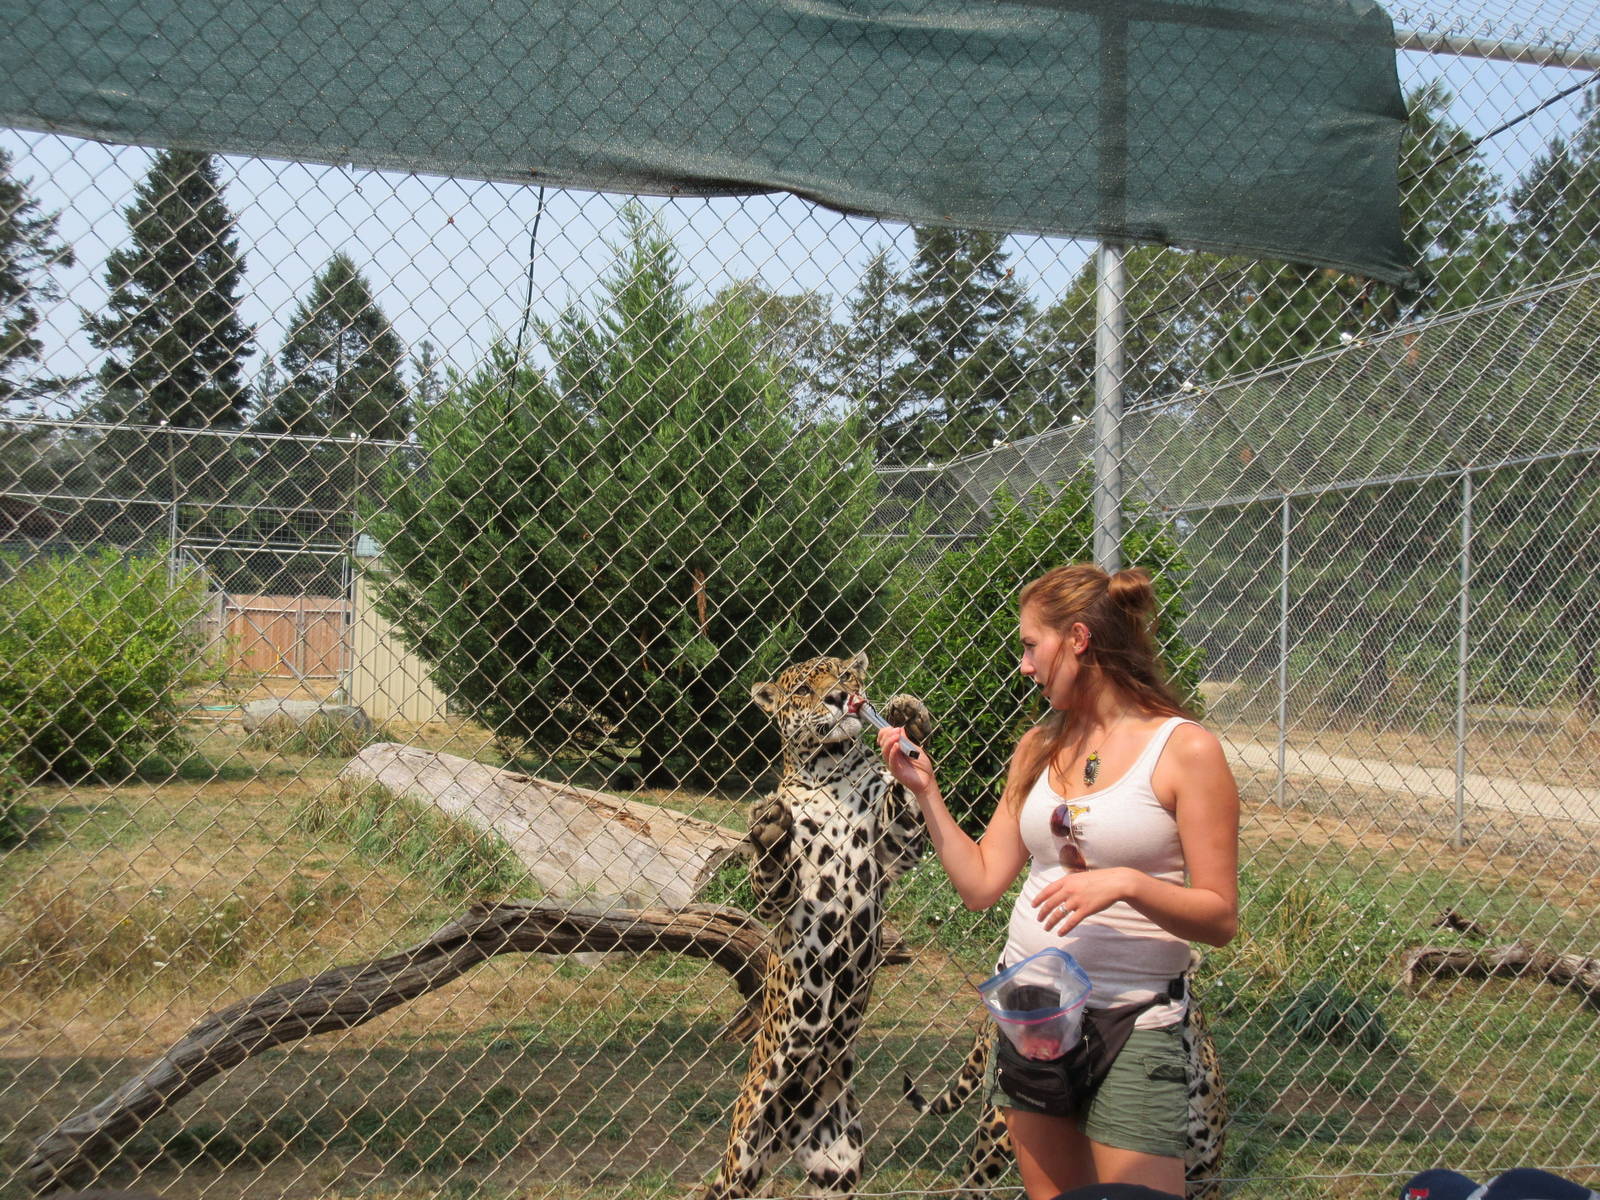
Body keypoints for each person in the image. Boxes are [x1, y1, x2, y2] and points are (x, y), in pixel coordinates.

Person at [876, 563, 1240, 1200]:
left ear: (1077, 639)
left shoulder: (1185, 750)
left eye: (1028, 645)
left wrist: (1125, 882)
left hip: (1134, 1018)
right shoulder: (1038, 745)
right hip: (1033, 1013)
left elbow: (1219, 918)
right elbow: (982, 884)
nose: (1023, 665)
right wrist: (926, 793)